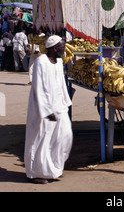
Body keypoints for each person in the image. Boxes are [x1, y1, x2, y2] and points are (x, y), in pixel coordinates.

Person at [24, 35, 73, 184]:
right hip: (43, 109)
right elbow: (39, 88)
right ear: (54, 48)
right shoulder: (41, 62)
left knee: (64, 136)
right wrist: (46, 111)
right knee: (41, 139)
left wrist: (65, 102)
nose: (64, 51)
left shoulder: (58, 62)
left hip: (59, 106)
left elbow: (61, 85)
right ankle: (37, 173)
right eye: (62, 48)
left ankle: (54, 169)